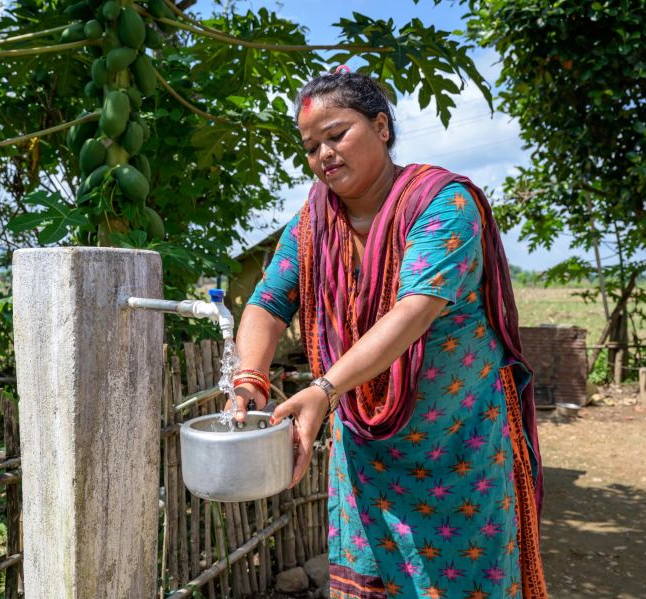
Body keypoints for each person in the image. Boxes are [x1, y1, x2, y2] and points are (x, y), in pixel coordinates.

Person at [225, 67, 547, 598]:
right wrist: (250, 382)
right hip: (366, 456)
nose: (324, 154)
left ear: (381, 127)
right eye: (310, 147)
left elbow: (414, 311)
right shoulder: (314, 221)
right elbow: (267, 301)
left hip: (457, 449)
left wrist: (325, 390)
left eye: (337, 135)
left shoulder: (443, 204)